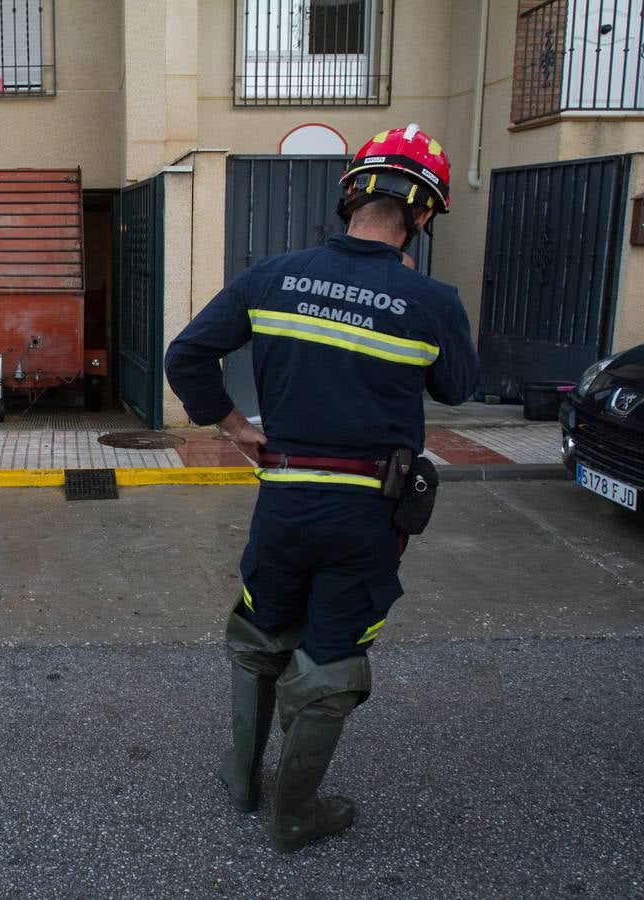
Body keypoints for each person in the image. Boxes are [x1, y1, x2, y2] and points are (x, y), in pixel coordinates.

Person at [164, 125, 479, 852]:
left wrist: (232, 425)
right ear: (423, 214)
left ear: (351, 195)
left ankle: (242, 783)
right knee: (333, 651)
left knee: (259, 630)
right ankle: (295, 815)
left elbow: (188, 356)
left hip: (282, 501)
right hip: (367, 511)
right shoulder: (431, 300)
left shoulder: (272, 275)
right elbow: (459, 388)